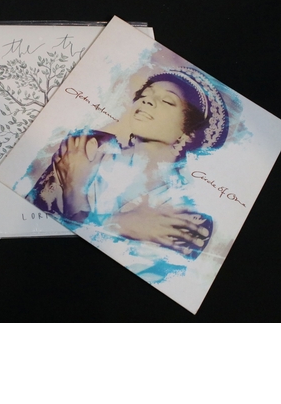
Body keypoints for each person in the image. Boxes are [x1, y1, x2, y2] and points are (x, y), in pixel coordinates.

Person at [27, 67, 228, 260]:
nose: (147, 100)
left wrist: (75, 191)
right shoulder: (87, 148)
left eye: (167, 101)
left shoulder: (188, 216)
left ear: (190, 132)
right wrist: (118, 226)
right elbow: (30, 226)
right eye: (145, 94)